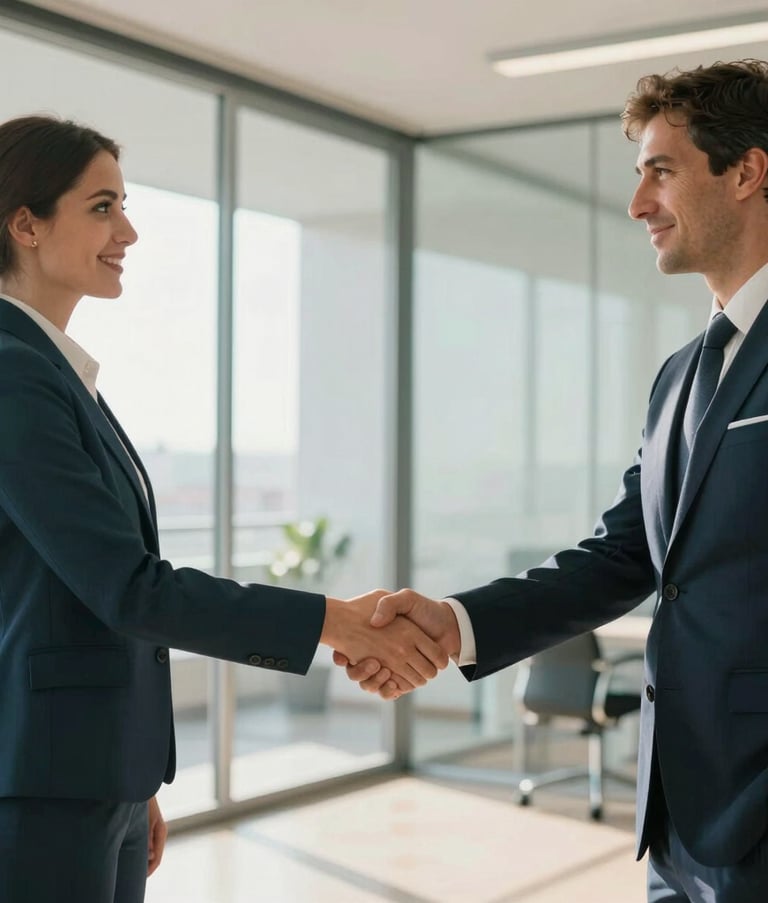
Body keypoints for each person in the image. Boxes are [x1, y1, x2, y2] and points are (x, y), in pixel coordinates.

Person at [340, 60, 768, 902]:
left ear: (749, 171)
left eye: (662, 170)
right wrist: (454, 622)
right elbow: (624, 556)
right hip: (678, 817)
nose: (639, 203)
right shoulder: (682, 374)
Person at [0, 114, 448, 903]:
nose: (129, 230)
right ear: (25, 224)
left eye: (125, 204)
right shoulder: (13, 373)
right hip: (40, 789)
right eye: (102, 206)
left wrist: (134, 772)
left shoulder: (57, 372)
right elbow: (129, 587)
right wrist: (333, 620)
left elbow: (69, 597)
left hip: (93, 773)